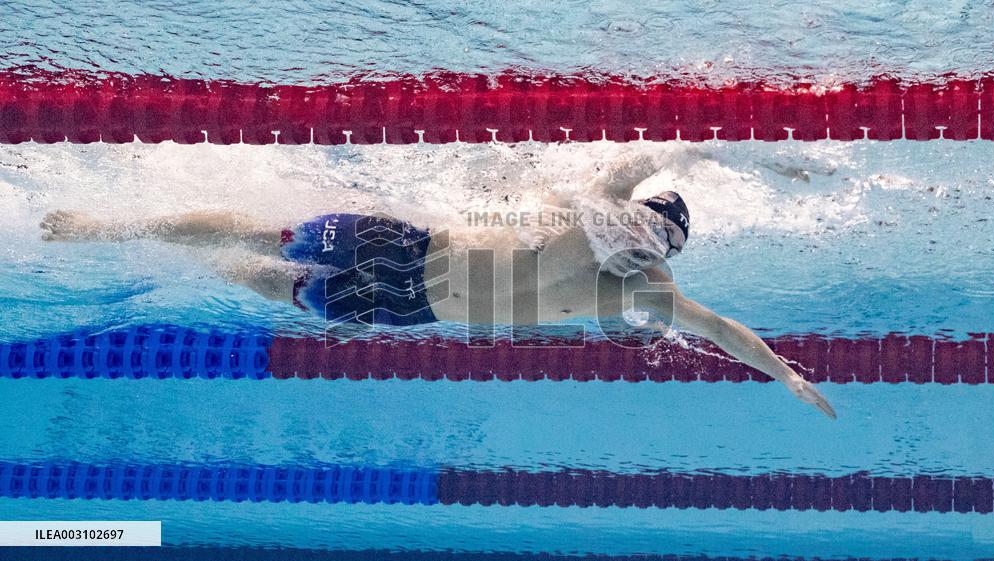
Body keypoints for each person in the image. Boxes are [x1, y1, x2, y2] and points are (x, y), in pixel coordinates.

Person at [40, 154, 836, 419]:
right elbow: (633, 168)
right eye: (644, 230)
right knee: (264, 239)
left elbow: (718, 327)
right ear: (635, 219)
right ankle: (110, 226)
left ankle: (173, 254)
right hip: (405, 246)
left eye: (659, 246)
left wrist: (784, 373)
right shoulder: (593, 212)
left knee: (265, 282)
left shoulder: (644, 291)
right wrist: (703, 149)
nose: (643, 247)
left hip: (406, 307)